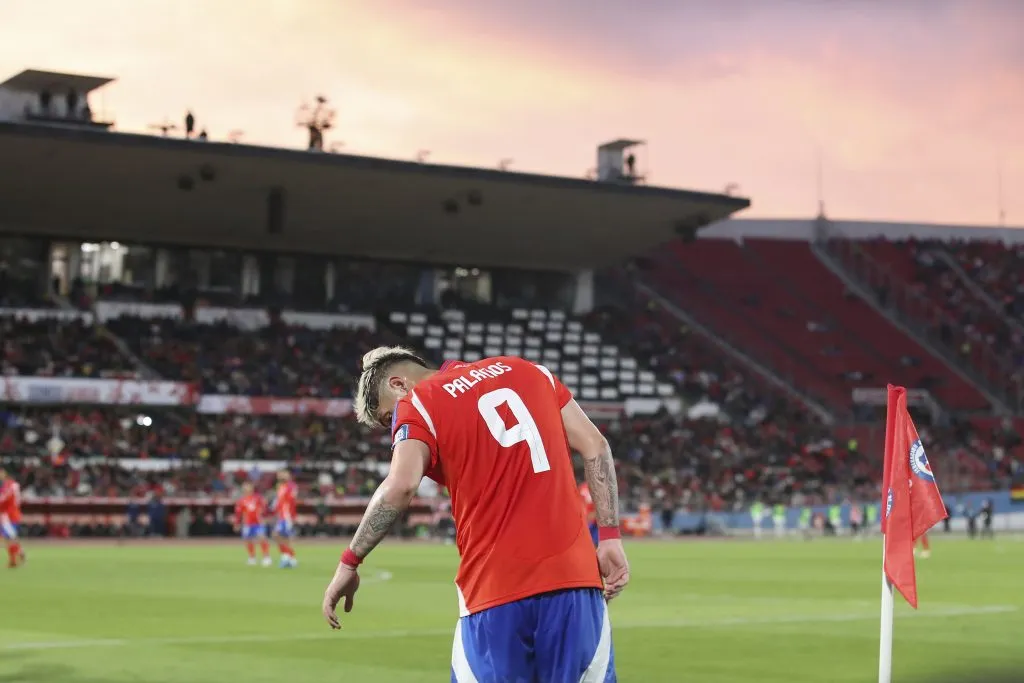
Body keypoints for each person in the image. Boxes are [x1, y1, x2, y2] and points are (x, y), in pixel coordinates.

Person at [322, 349, 627, 682]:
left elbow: (401, 485)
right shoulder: (529, 370)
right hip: (575, 583)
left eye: (387, 419)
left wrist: (349, 561)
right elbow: (596, 445)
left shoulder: (418, 401)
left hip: (493, 591)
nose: (393, 429)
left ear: (398, 384)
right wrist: (609, 536)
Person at [234, 482, 271, 566]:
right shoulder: (241, 500)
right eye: (244, 487)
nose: (245, 488)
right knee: (247, 540)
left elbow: (265, 509)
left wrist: (265, 517)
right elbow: (238, 513)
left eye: (247, 487)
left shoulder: (258, 498)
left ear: (251, 488)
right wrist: (237, 523)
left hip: (258, 523)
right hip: (247, 524)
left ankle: (266, 557)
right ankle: (252, 558)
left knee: (262, 538)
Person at [272, 471, 299, 568]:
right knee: (282, 537)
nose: (280, 475)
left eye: (283, 474)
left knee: (280, 536)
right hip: (281, 516)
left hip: (287, 516)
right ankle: (289, 558)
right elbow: (280, 502)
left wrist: (292, 516)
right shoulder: (280, 487)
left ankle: (288, 557)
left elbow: (292, 501)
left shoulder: (290, 486)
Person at [0, 468, 25, 568]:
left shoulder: (10, 485)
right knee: (10, 537)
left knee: (9, 538)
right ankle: (19, 552)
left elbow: (4, 498)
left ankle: (14, 560)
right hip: (11, 514)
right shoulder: (11, 485)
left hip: (9, 515)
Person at [579, 481, 599, 545]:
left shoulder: (583, 487)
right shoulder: (583, 487)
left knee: (595, 544)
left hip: (595, 521)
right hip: (587, 520)